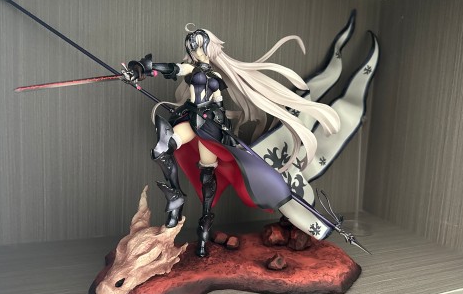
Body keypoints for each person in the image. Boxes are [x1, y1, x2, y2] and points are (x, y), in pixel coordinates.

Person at [124, 25, 340, 257]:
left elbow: (218, 102)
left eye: (199, 46)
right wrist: (142, 69)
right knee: (162, 149)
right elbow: (172, 68)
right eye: (192, 47)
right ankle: (175, 201)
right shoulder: (191, 69)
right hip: (191, 118)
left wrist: (223, 125)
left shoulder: (216, 77)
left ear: (209, 48)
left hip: (210, 128)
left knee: (207, 176)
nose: (195, 51)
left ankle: (204, 230)